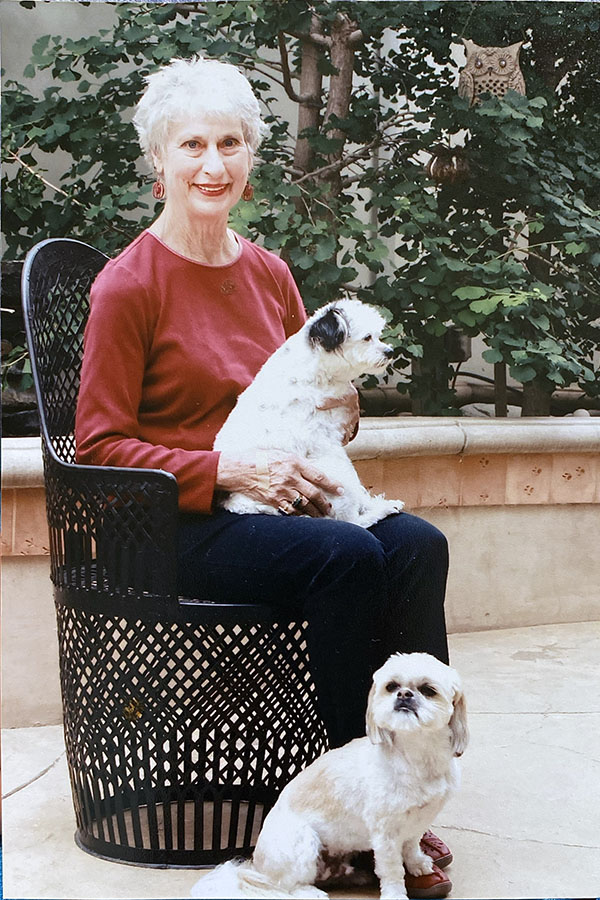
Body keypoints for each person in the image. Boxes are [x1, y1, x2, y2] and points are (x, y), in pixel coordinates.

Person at [75, 56, 453, 896]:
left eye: (232, 144)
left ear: (252, 155)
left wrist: (343, 410)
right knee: (346, 559)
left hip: (285, 509)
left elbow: (311, 392)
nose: (213, 165)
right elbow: (97, 445)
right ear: (160, 159)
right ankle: (349, 811)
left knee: (418, 544)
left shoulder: (269, 273)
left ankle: (413, 793)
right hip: (180, 523)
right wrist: (219, 466)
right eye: (193, 145)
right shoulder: (127, 286)